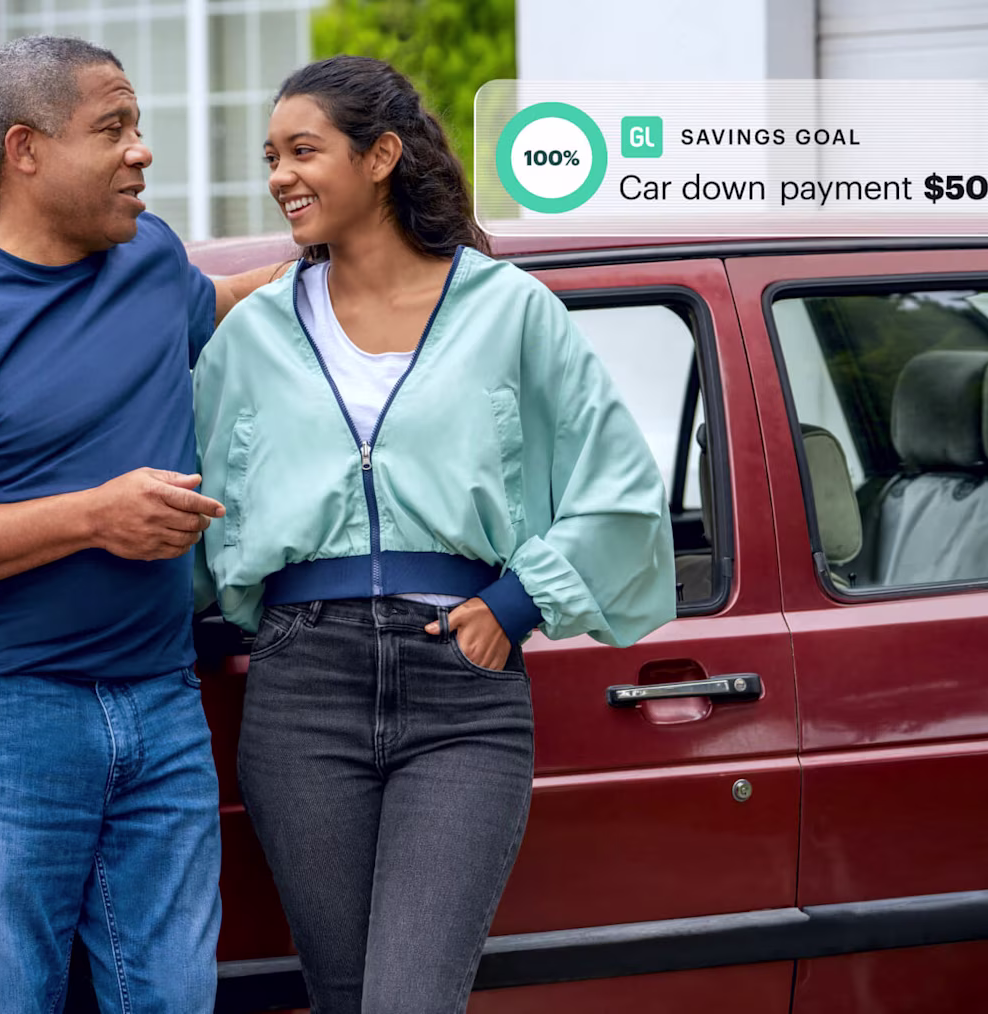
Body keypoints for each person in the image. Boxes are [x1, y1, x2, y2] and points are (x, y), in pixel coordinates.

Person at [192, 55, 676, 1013]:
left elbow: (620, 485)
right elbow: (198, 512)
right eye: (271, 157)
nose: (281, 175)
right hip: (300, 693)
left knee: (408, 1000)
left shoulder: (509, 310)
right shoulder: (250, 338)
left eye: (303, 151)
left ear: (380, 157)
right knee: (342, 996)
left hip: (460, 692)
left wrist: (517, 600)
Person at [0, 35, 285, 1014]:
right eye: (115, 128)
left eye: (139, 128)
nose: (142, 152)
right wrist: (94, 518)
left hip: (161, 706)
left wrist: (346, 251)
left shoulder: (148, 258)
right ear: (27, 151)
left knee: (171, 1001)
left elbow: (212, 310)